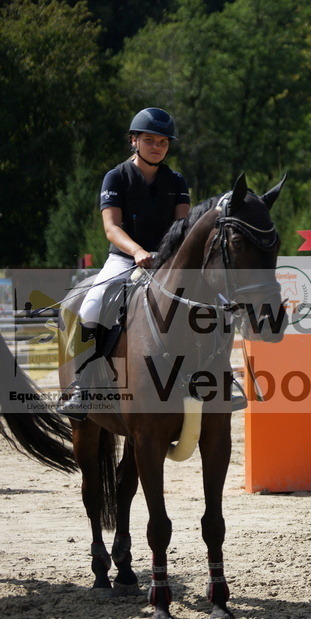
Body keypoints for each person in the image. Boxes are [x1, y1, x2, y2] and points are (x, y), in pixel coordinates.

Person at [59, 107, 191, 419]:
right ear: (134, 140)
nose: (157, 146)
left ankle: (216, 378)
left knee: (205, 302)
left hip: (166, 260)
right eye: (149, 140)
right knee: (92, 303)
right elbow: (111, 228)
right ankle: (82, 384)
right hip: (125, 260)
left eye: (163, 142)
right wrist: (136, 252)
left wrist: (169, 254)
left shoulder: (176, 180)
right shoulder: (116, 177)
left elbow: (183, 225)